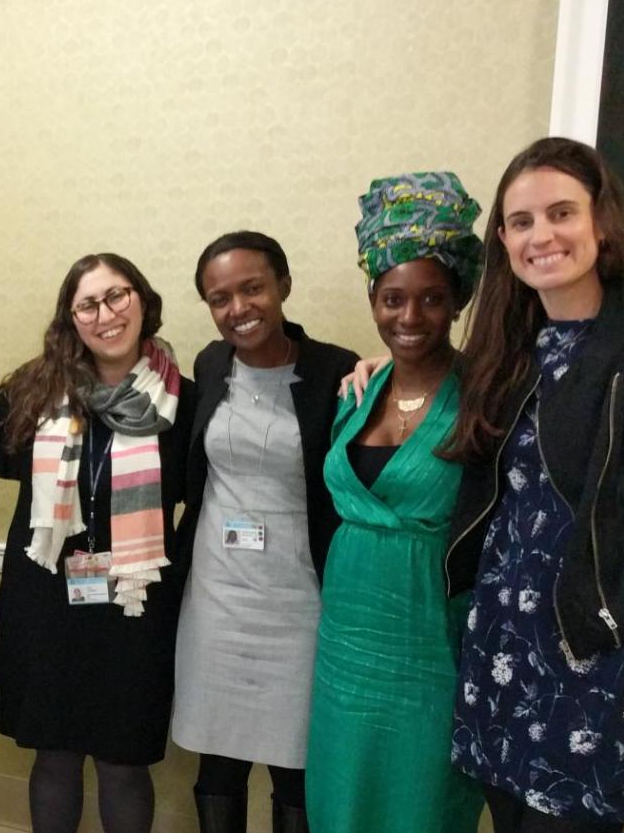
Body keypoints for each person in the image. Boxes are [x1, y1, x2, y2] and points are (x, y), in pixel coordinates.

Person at [445, 137, 624, 832]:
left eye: (561, 212)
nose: (541, 235)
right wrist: (375, 368)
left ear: (602, 223)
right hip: (501, 651)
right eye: (521, 222)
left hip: (599, 662)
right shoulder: (506, 347)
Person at [0, 254, 196, 833]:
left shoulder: (185, 401)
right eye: (88, 304)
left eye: (117, 296)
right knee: (55, 755)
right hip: (47, 601)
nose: (105, 314)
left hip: (134, 601)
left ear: (142, 299)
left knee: (124, 762)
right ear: (71, 319)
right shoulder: (33, 390)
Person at [305, 173, 487, 833]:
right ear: (374, 299)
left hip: (431, 637)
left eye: (431, 299)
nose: (409, 318)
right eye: (393, 299)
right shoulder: (356, 390)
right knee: (343, 789)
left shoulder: (488, 395)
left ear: (457, 299)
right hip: (347, 630)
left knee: (421, 799)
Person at [171, 231, 360, 833]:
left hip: (299, 603)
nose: (237, 309)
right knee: (218, 763)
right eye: (219, 297)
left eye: (251, 288)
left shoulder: (337, 369)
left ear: (282, 286)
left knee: (297, 769)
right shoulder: (208, 363)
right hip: (218, 598)